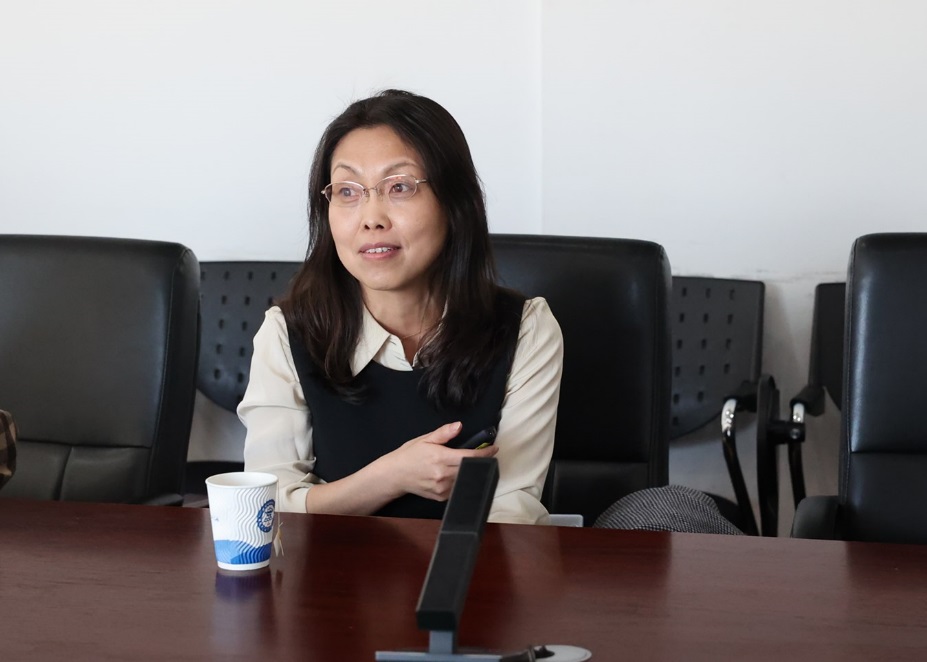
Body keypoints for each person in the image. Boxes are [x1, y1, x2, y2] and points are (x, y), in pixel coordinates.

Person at [239, 89, 563, 525]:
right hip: (329, 567)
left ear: (455, 203)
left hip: (473, 565)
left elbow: (513, 508)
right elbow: (268, 505)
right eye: (347, 191)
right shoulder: (288, 332)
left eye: (400, 187)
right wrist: (390, 477)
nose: (371, 218)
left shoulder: (524, 329)